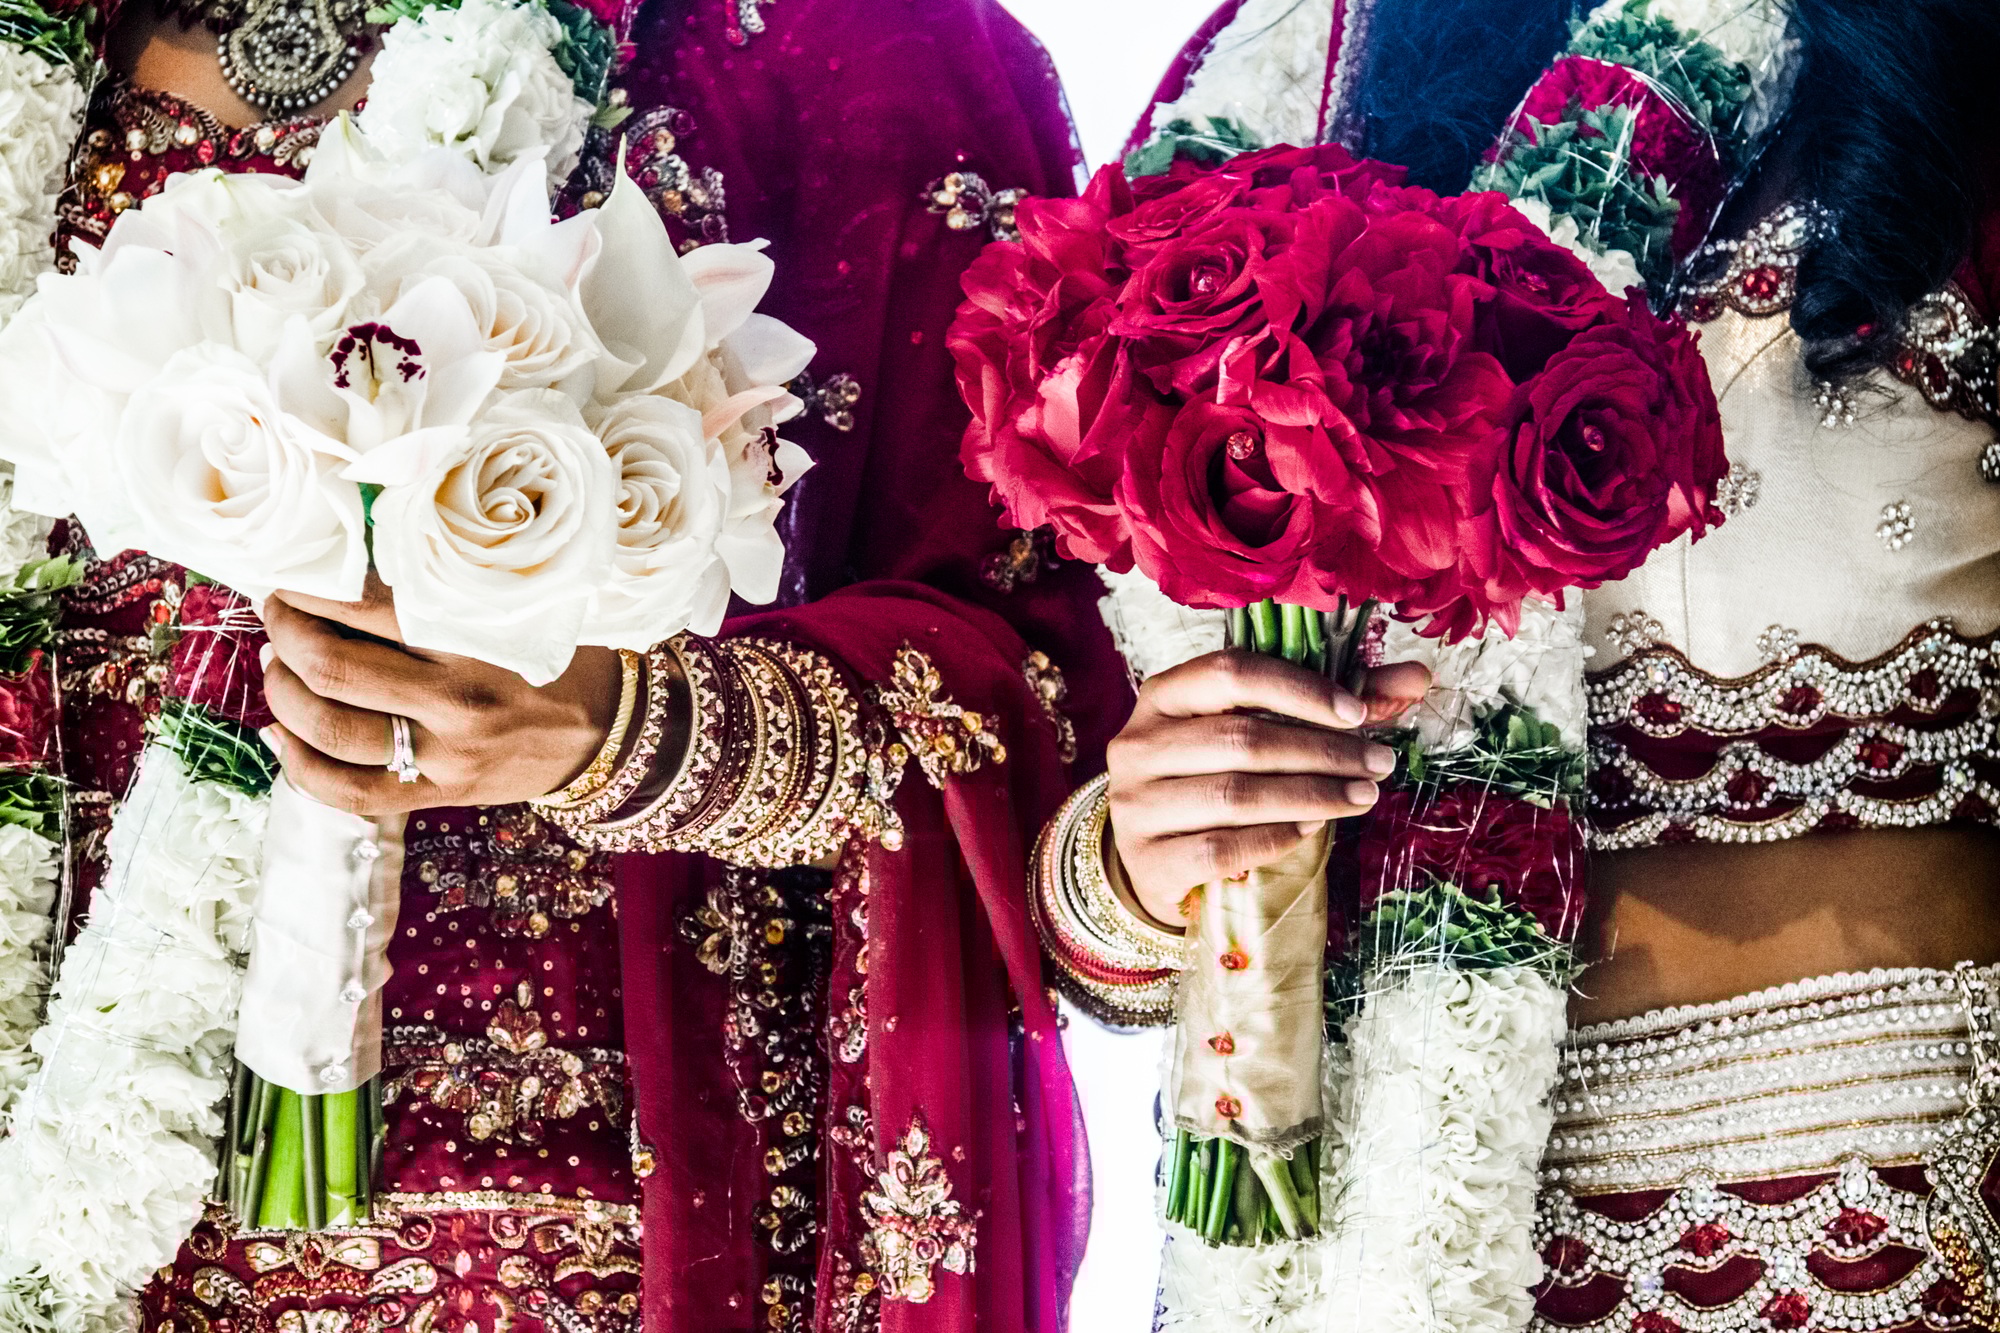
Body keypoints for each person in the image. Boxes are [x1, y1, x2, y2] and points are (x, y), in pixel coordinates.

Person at [46, 0, 1133, 1328]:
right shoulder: (47, 62)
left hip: (650, 1236)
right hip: (70, 1205)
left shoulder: (854, 50)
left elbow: (1043, 699)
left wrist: (631, 731)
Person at [1035, 0, 2000, 1328]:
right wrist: (1142, 864)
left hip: (1887, 1220)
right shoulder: (1283, 90)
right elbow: (1078, 812)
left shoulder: (1944, 74)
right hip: (1381, 1254)